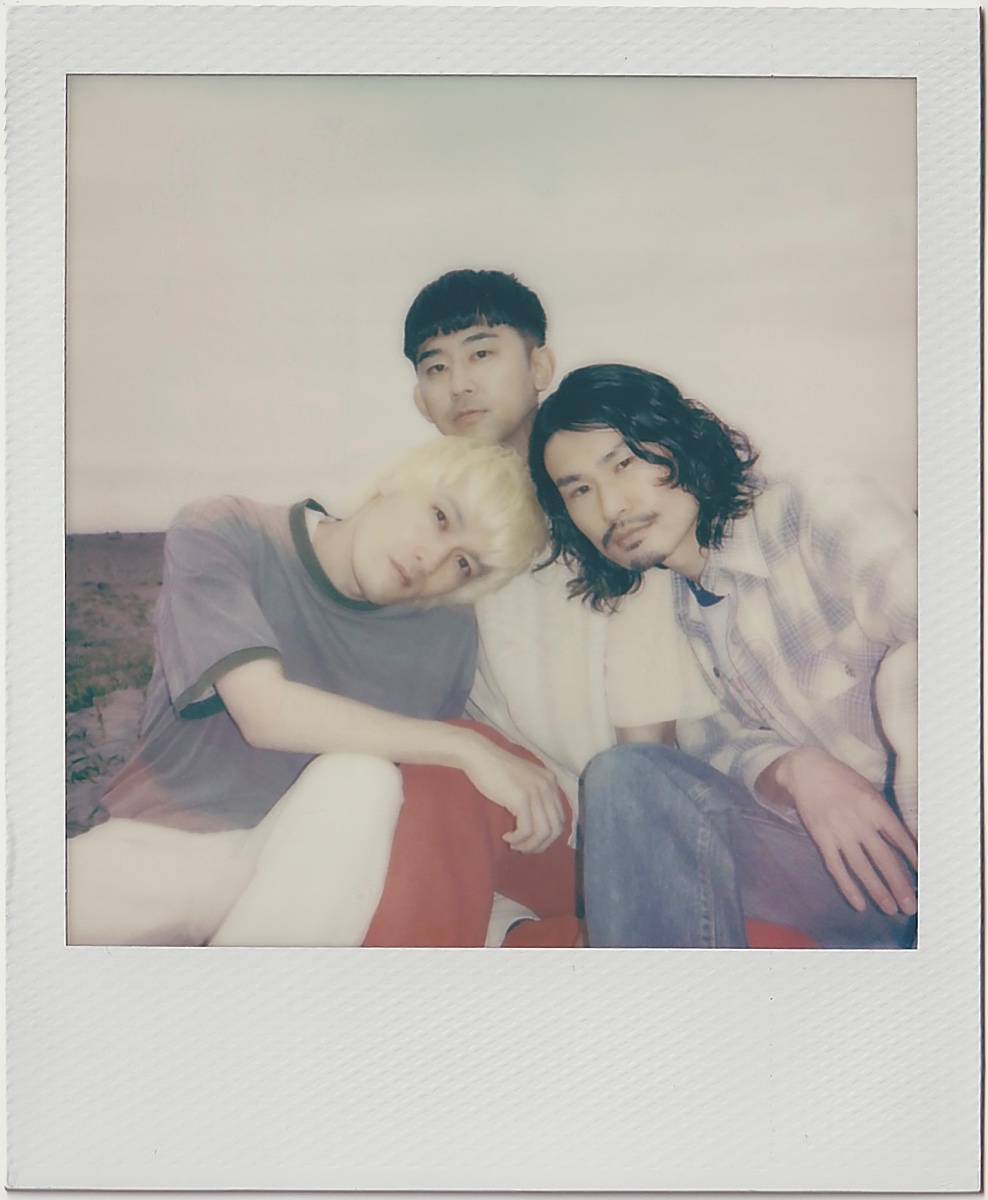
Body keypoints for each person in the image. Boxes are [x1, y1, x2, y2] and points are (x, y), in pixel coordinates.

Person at [66, 436, 577, 947]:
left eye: (464, 564)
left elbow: (422, 814)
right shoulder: (229, 529)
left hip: (318, 879)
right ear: (394, 482)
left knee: (362, 779)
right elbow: (263, 711)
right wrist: (466, 745)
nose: (432, 559)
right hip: (160, 846)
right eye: (440, 517)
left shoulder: (447, 636)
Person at [527, 363, 918, 949]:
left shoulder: (814, 506)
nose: (609, 506)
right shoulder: (667, 609)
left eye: (623, 463)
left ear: (678, 438)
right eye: (579, 489)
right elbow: (715, 745)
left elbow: (954, 648)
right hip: (853, 877)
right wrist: (796, 769)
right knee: (628, 777)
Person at [403, 271, 716, 825]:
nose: (460, 385)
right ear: (420, 400)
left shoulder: (610, 516)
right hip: (521, 812)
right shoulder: (427, 533)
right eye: (436, 368)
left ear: (540, 367)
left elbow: (648, 759)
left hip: (640, 810)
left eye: (481, 354)